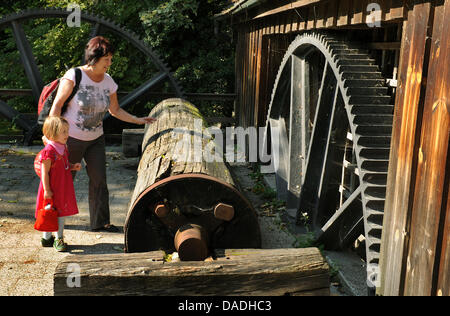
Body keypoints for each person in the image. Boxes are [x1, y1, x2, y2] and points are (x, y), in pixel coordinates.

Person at [48, 36, 156, 232]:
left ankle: (101, 223)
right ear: (94, 58)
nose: (110, 62)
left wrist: (138, 120)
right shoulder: (74, 76)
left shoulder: (108, 82)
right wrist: (51, 137)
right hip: (69, 139)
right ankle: (51, 221)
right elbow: (57, 106)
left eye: (111, 58)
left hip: (95, 139)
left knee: (99, 180)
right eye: (107, 59)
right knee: (63, 181)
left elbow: (115, 110)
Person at [36, 116, 82, 252]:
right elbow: (45, 172)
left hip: (63, 186)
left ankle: (58, 237)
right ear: (52, 133)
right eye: (63, 132)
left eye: (67, 131)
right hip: (52, 187)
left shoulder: (63, 147)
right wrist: (47, 190)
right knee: (49, 210)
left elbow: (64, 164)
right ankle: (48, 237)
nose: (67, 135)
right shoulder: (49, 151)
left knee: (60, 211)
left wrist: (73, 166)